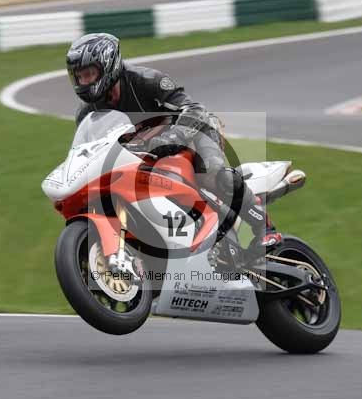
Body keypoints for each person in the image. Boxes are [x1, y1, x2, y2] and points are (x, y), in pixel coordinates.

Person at [66, 32, 270, 252]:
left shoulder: (145, 80)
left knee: (212, 172)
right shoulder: (86, 114)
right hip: (143, 153)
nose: (84, 81)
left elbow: (195, 110)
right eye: (80, 76)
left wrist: (174, 136)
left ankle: (266, 228)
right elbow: (90, 149)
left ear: (108, 65)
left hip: (192, 133)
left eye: (90, 74)